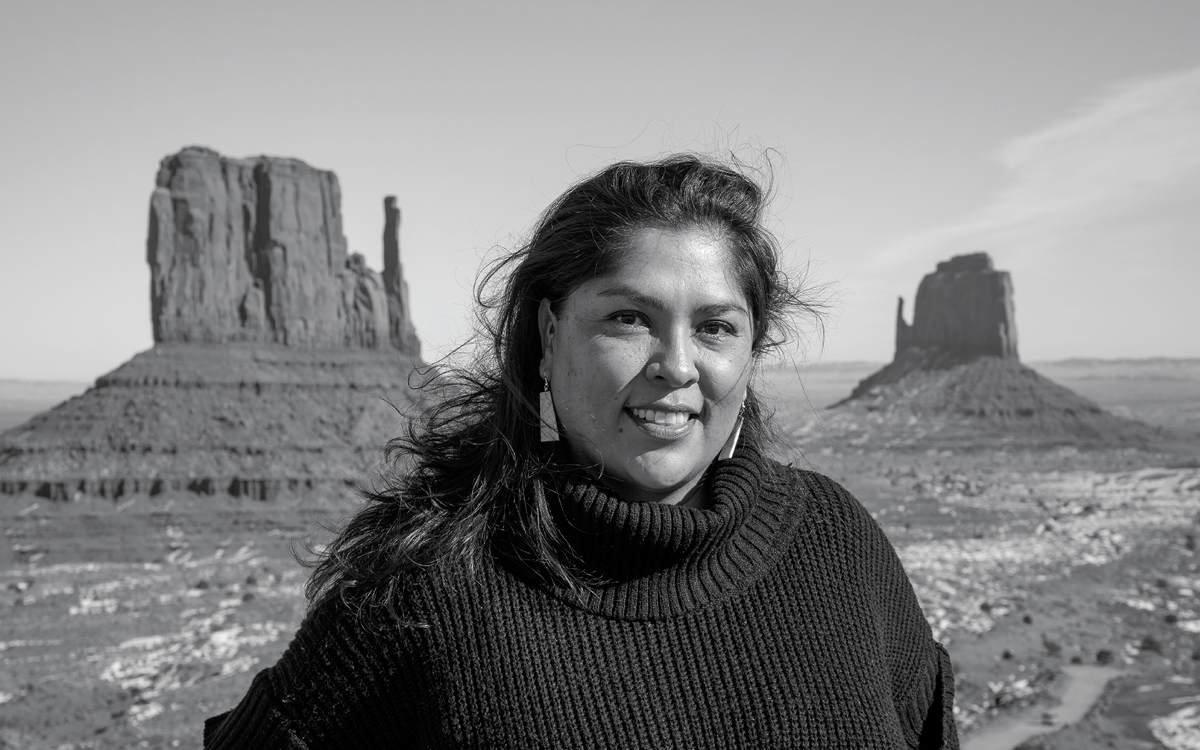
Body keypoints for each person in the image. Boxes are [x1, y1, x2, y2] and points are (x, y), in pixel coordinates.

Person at [204, 155, 959, 748]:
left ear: (752, 353)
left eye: (716, 327)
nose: (678, 365)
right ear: (548, 335)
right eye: (630, 318)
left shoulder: (837, 545)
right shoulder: (426, 592)